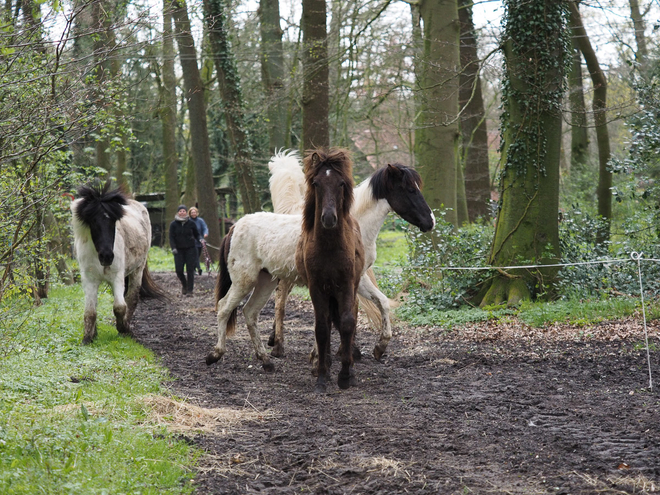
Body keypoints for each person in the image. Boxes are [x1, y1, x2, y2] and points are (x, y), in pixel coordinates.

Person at [169, 205, 202, 296]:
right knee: (179, 270)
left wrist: (201, 239)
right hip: (178, 250)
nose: (182, 212)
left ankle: (190, 291)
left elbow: (197, 234)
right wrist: (173, 248)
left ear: (186, 212)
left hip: (191, 249)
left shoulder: (191, 223)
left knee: (190, 270)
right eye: (180, 211)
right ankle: (184, 284)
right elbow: (171, 237)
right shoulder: (173, 224)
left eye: (184, 211)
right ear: (178, 212)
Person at [188, 206, 208, 275]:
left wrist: (205, 233)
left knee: (197, 255)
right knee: (195, 255)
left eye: (194, 212)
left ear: (197, 213)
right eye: (192, 213)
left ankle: (193, 269)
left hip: (199, 241)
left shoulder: (200, 221)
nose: (193, 214)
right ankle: (199, 268)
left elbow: (205, 228)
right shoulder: (188, 221)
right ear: (190, 214)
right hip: (191, 242)